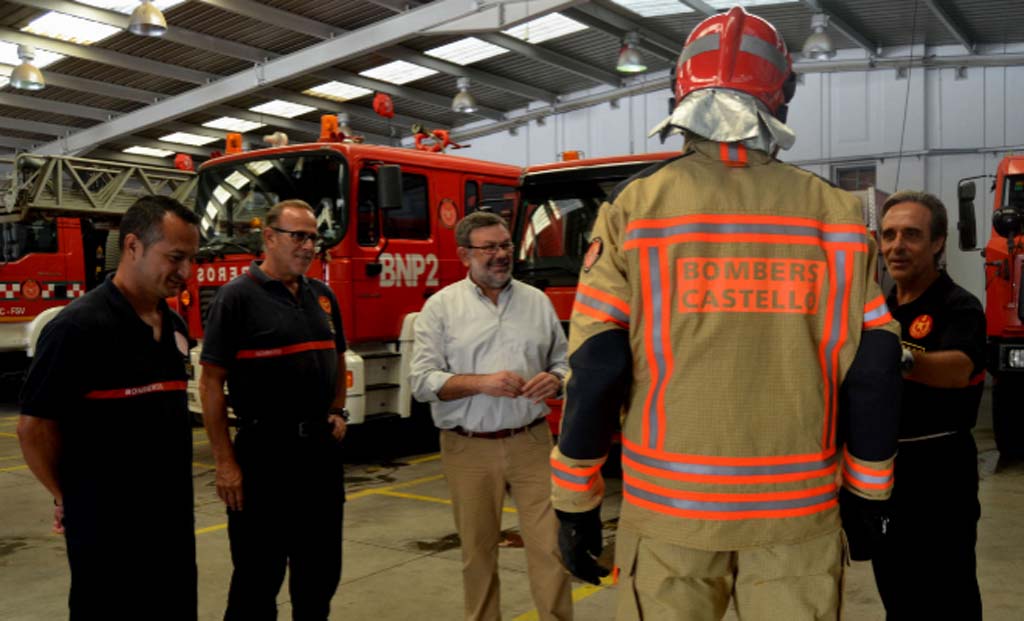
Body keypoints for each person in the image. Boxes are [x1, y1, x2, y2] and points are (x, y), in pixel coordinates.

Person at [550, 7, 903, 620]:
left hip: (670, 518)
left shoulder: (637, 210)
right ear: (783, 97)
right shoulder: (837, 217)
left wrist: (575, 499)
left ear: (680, 92)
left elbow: (598, 362)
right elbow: (873, 367)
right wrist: (869, 494)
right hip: (799, 515)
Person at [18, 195, 200, 620]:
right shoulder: (77, 328)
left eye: (191, 259)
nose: (186, 273)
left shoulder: (172, 324)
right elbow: (34, 428)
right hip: (106, 530)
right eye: (175, 257)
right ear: (133, 246)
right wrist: (70, 495)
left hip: (171, 524)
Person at [410, 211, 574, 621]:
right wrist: (479, 383)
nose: (501, 255)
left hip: (531, 441)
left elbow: (565, 361)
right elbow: (421, 380)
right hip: (469, 447)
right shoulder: (441, 308)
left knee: (550, 545)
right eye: (489, 248)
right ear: (465, 253)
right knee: (478, 552)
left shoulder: (537, 302)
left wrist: (556, 380)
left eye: (505, 246)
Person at [199, 199, 348, 621]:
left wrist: (338, 410)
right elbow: (211, 383)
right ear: (269, 237)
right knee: (256, 578)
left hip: (319, 455)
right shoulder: (236, 297)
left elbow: (338, 356)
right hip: (264, 455)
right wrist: (225, 463)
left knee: (319, 576)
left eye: (313, 237)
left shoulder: (322, 295)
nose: (308, 246)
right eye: (297, 236)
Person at [872, 190, 985, 619]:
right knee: (897, 592)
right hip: (884, 473)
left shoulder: (958, 306)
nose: (897, 246)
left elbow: (959, 368)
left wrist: (893, 356)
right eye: (889, 235)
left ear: (938, 242)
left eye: (912, 235)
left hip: (940, 475)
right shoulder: (879, 311)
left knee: (946, 595)